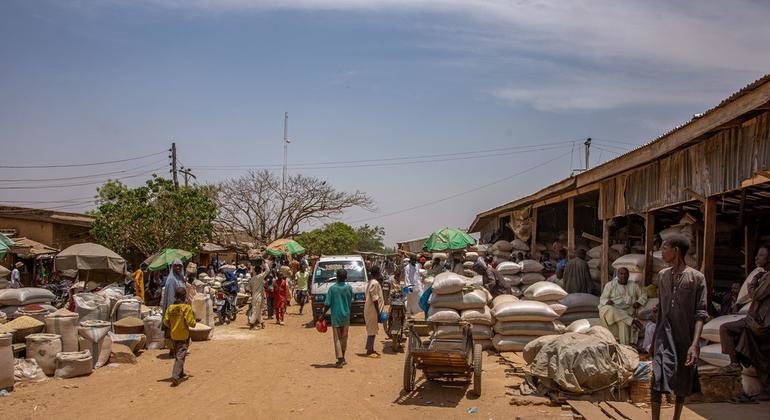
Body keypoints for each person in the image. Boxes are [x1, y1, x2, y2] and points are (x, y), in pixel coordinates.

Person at [651, 234, 707, 420]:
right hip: (662, 337)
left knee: (682, 379)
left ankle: (676, 417)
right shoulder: (662, 276)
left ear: (676, 251)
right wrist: (653, 340)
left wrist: (694, 344)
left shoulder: (697, 278)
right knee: (656, 380)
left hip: (684, 337)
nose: (662, 252)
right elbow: (660, 309)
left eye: (665, 247)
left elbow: (700, 313)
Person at [719, 260, 770, 401]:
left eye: (761, 255)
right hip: (757, 320)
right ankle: (765, 389)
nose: (757, 258)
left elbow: (755, 295)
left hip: (761, 323)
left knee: (726, 328)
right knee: (759, 355)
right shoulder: (764, 275)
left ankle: (734, 364)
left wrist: (753, 281)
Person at [599, 267, 647, 345]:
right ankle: (633, 321)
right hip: (610, 311)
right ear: (617, 275)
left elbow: (643, 295)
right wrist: (607, 301)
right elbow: (602, 298)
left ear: (628, 275)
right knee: (609, 308)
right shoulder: (610, 285)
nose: (623, 276)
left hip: (624, 312)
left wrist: (638, 302)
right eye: (621, 274)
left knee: (624, 323)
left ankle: (625, 347)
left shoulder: (633, 285)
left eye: (625, 274)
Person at [163, 287, 196, 387]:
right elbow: (191, 322)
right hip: (183, 335)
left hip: (173, 335)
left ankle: (180, 373)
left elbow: (165, 321)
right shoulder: (186, 308)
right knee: (180, 355)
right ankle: (175, 375)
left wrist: (172, 325)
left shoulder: (170, 308)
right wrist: (195, 322)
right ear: (184, 296)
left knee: (178, 354)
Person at [320, 269, 353, 368]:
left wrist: (323, 315)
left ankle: (340, 360)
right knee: (344, 337)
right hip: (346, 316)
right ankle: (343, 357)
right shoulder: (349, 288)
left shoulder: (332, 289)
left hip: (336, 316)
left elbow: (327, 304)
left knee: (337, 338)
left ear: (336, 277)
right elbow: (350, 299)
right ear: (346, 277)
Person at [364, 266, 384, 357]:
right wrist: (378, 312)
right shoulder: (375, 283)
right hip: (372, 310)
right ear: (378, 273)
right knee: (372, 330)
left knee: (372, 330)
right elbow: (375, 299)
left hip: (370, 309)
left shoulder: (371, 282)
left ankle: (370, 348)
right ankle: (369, 349)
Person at [247, 263, 267, 329]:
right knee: (256, 310)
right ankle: (252, 323)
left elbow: (247, 288)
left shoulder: (252, 279)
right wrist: (265, 263)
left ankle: (262, 323)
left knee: (257, 310)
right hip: (259, 297)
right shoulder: (260, 277)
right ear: (260, 271)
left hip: (254, 296)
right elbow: (268, 270)